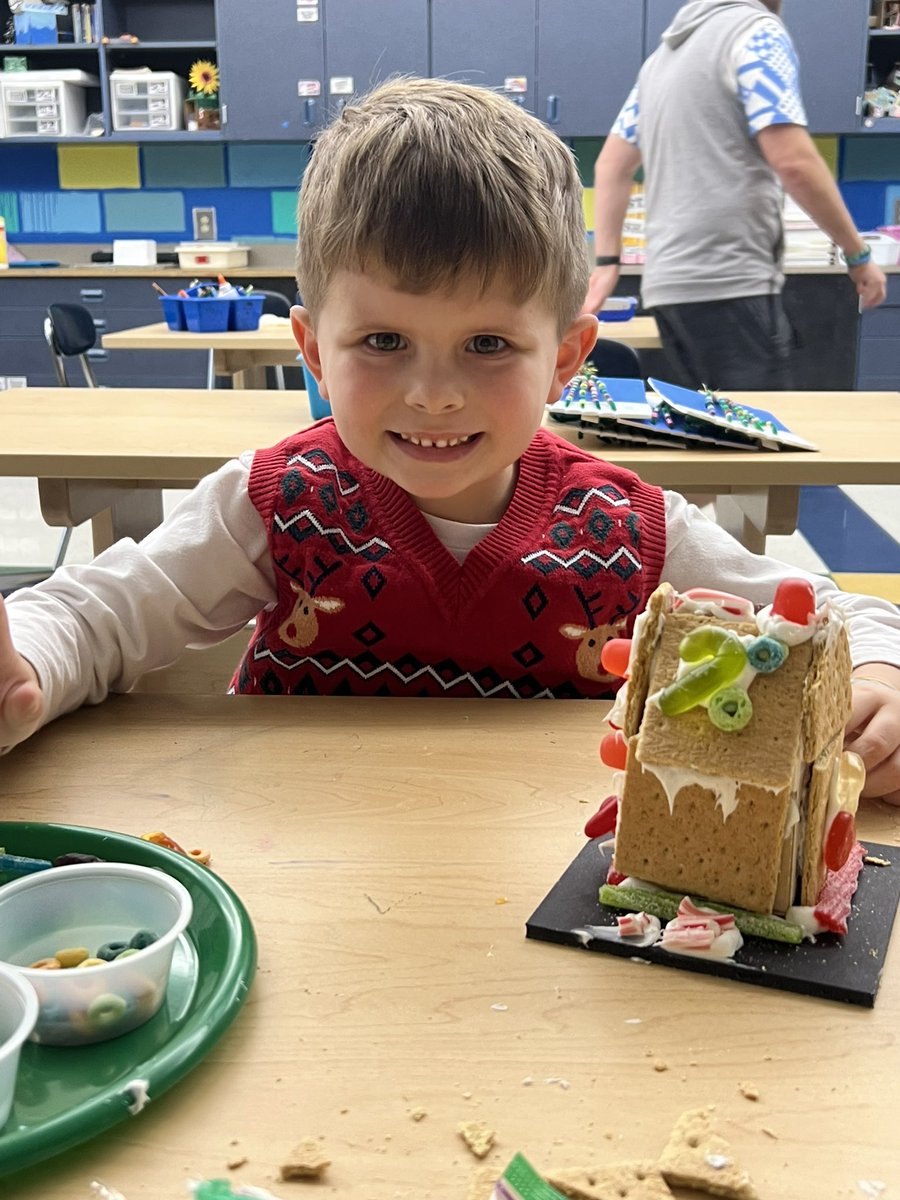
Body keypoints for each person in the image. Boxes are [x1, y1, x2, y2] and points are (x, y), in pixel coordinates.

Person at [1, 76, 899, 802]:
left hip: (551, 939)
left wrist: (883, 680)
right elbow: (95, 614)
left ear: (564, 361)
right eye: (384, 342)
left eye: (489, 346)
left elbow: (832, 618)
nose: (434, 395)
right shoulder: (272, 501)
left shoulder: (635, 526)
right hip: (300, 900)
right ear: (313, 349)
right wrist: (26, 663)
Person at [582, 0, 888, 390]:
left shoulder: (662, 60)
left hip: (668, 284)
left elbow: (611, 165)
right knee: (758, 435)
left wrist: (609, 262)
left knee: (700, 434)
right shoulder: (756, 32)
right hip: (729, 277)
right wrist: (858, 255)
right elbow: (793, 161)